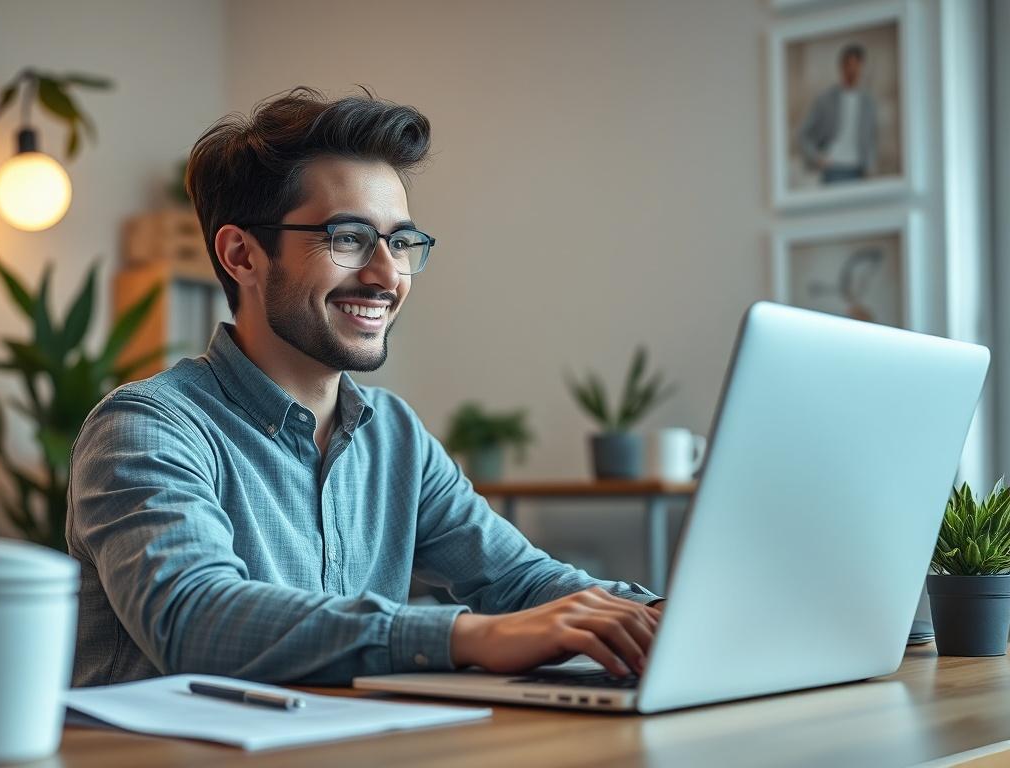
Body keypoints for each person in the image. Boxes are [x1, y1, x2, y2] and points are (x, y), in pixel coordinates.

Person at [68, 88, 664, 687]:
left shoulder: (394, 435)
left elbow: (522, 582)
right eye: (348, 238)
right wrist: (470, 635)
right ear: (242, 255)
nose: (387, 276)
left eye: (401, 242)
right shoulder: (146, 426)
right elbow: (192, 619)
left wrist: (659, 616)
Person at [797, 43, 877, 184]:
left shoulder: (868, 102)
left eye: (856, 65)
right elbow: (803, 134)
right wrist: (816, 157)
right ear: (841, 67)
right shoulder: (825, 100)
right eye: (848, 65)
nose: (852, 70)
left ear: (862, 67)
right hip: (833, 168)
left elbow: (873, 137)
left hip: (859, 169)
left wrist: (870, 164)